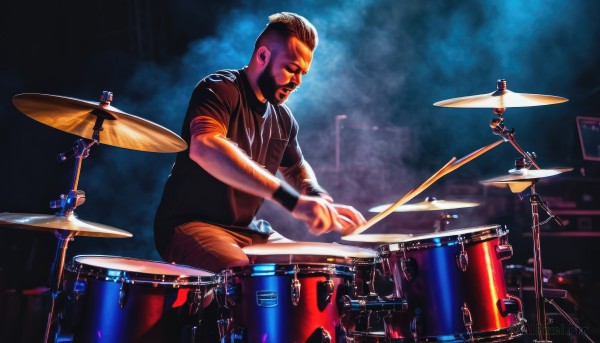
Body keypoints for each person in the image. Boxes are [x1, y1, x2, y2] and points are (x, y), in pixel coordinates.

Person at [154, 12, 366, 274]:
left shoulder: (283, 118)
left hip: (247, 230)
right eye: (291, 69)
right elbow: (205, 146)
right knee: (241, 276)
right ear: (263, 56)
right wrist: (293, 202)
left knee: (318, 267)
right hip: (190, 224)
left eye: (303, 73)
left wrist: (318, 199)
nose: (298, 81)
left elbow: (296, 167)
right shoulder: (220, 88)